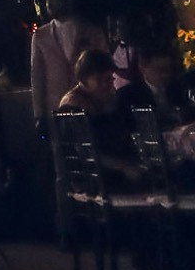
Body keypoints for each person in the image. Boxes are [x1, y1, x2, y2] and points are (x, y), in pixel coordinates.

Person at [57, 48, 146, 184]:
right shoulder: (73, 106)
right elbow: (84, 150)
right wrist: (123, 166)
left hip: (115, 165)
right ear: (84, 79)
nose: (106, 84)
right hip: (94, 175)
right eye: (99, 79)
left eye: (109, 79)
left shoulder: (104, 97)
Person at [26, 0, 109, 122]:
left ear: (68, 2)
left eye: (54, 1)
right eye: (47, 2)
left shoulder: (92, 31)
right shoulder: (41, 36)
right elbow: (37, 76)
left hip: (90, 107)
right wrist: (38, 115)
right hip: (55, 109)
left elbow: (105, 68)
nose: (49, 6)